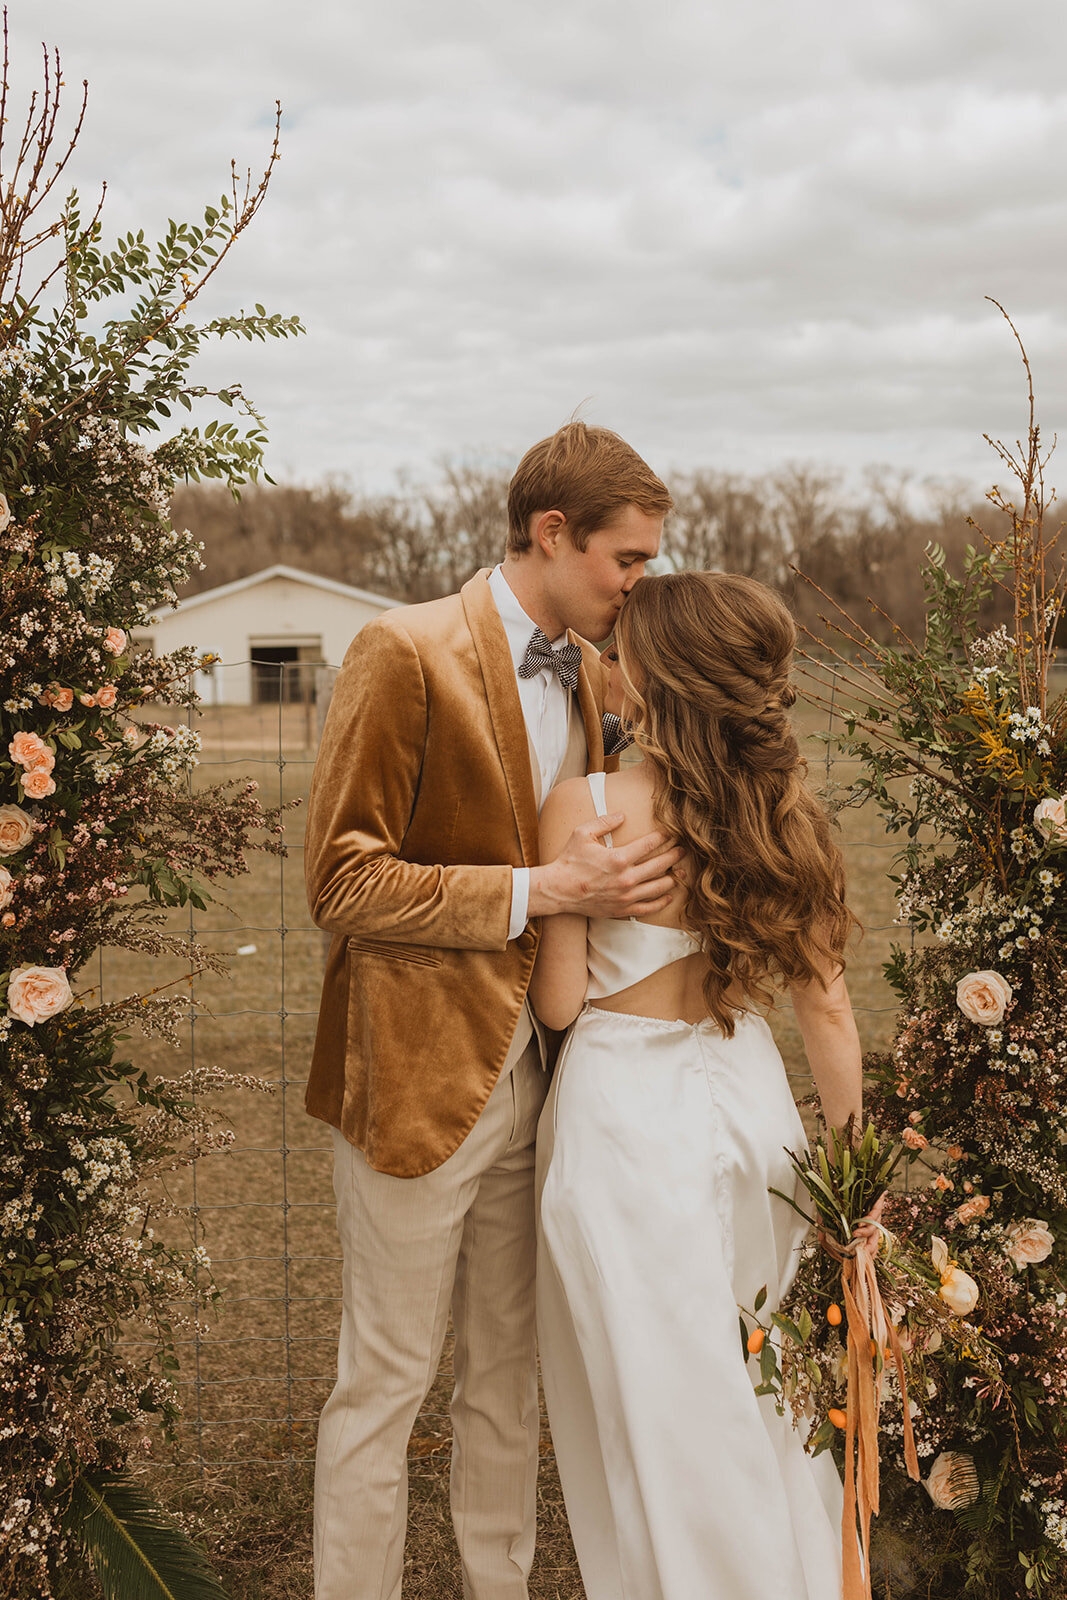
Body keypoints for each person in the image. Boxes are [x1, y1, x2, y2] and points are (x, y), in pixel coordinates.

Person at [303, 421, 679, 1600]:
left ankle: (496, 1583)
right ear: (551, 533)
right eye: (626, 560)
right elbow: (340, 881)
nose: (637, 584)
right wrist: (540, 891)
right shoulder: (399, 648)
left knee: (506, 1374)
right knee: (386, 1379)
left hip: (546, 1081)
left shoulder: (601, 674)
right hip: (416, 1079)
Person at [532, 570, 870, 1600]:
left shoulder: (583, 807)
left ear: (646, 675)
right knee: (764, 1385)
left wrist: (561, 899)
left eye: (616, 647)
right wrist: (853, 1179)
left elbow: (553, 1006)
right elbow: (826, 1009)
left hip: (627, 1119)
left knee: (664, 1399)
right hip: (748, 1098)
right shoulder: (781, 811)